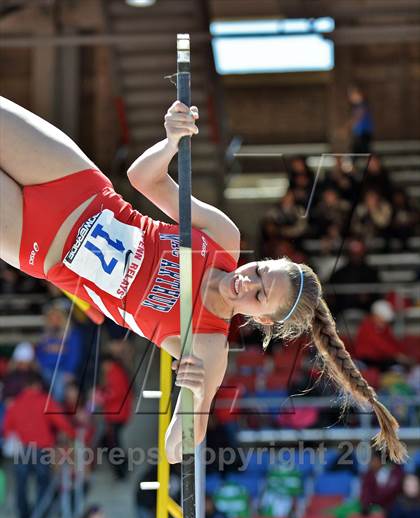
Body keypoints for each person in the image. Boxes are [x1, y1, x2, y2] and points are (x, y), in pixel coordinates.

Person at [0, 96, 407, 464]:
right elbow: (143, 180)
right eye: (261, 272)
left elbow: (177, 448)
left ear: (262, 320)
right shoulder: (224, 239)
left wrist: (193, 397)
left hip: (37, 245)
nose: (247, 283)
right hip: (77, 185)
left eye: (260, 295)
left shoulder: (208, 344)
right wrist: (171, 140)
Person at [3, 374, 75, 518]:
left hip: (21, 449)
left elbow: (6, 428)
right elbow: (61, 422)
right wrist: (72, 434)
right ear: (38, 385)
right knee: (43, 483)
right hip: (42, 449)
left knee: (21, 484)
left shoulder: (16, 403)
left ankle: (23, 517)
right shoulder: (45, 401)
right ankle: (40, 517)